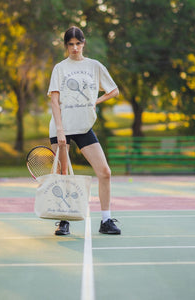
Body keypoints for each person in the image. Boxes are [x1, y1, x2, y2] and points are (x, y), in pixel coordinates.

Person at [47, 26, 121, 236]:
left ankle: (106, 220)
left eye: (78, 43)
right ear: (66, 46)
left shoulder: (94, 66)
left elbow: (114, 91)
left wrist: (95, 100)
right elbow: (54, 100)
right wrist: (60, 131)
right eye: (70, 44)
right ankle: (63, 221)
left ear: (83, 43)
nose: (74, 48)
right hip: (61, 128)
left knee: (105, 172)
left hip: (83, 127)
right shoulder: (60, 68)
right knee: (63, 175)